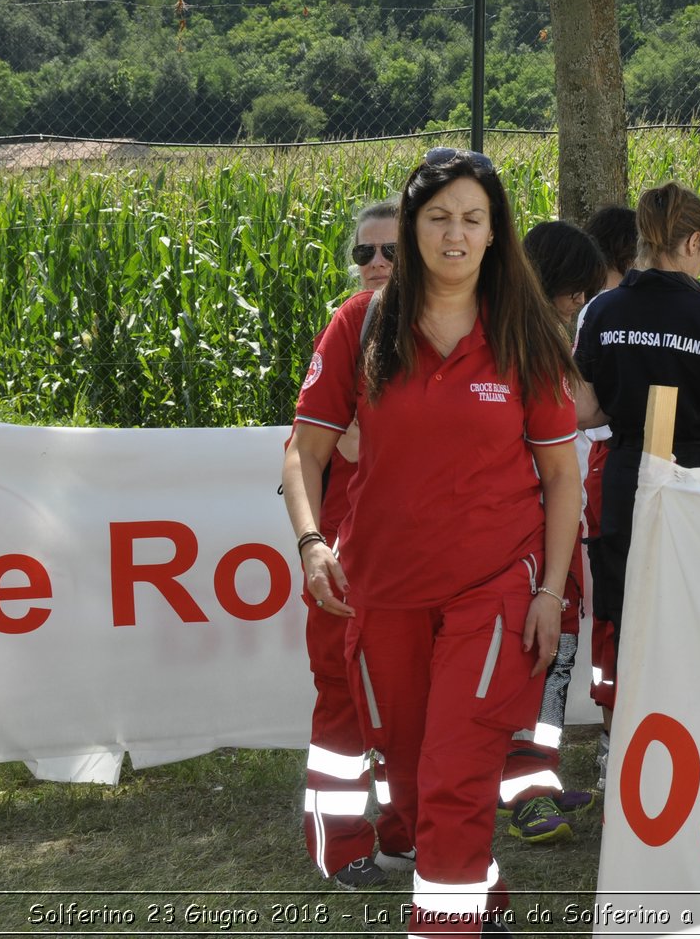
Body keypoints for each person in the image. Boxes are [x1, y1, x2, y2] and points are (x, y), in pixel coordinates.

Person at [283, 149, 580, 937]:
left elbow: (562, 476)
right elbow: (304, 451)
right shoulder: (361, 324)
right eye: (438, 217)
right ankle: (480, 908)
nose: (455, 234)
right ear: (413, 228)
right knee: (414, 788)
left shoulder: (522, 333)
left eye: (472, 219)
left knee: (453, 775)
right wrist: (313, 542)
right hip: (383, 593)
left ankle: (439, 926)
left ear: (494, 233)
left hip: (493, 590)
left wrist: (550, 590)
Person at [574, 182, 700, 677]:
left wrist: (628, 391)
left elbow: (583, 411)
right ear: (692, 243)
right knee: (699, 606)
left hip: (627, 473)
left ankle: (628, 733)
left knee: (629, 608)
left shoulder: (603, 310)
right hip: (694, 474)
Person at [292, 201, 408, 890]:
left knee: (405, 705)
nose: (375, 264)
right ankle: (341, 846)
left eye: (390, 250)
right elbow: (332, 443)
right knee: (342, 703)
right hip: (346, 548)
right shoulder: (343, 329)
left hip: (412, 555)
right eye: (363, 253)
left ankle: (402, 834)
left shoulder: (442, 331)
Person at [496, 220, 606, 843]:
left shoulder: (531, 339)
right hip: (526, 538)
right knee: (538, 656)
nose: (579, 308)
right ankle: (525, 794)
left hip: (552, 535)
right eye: (576, 296)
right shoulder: (521, 344)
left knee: (557, 656)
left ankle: (539, 775)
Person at [577, 205, 638, 790]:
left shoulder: (603, 308)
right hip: (615, 459)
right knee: (618, 607)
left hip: (612, 461)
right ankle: (613, 737)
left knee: (617, 609)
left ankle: (614, 735)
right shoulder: (601, 309)